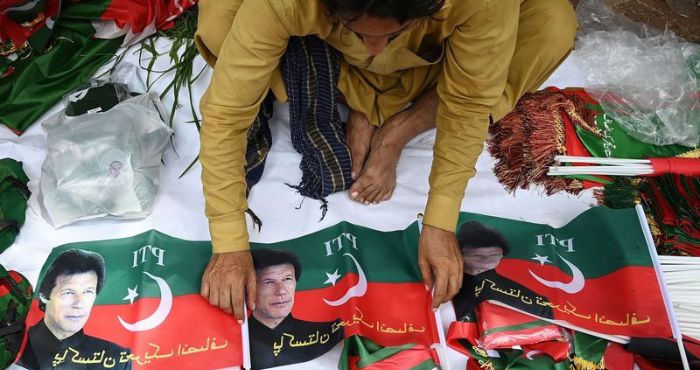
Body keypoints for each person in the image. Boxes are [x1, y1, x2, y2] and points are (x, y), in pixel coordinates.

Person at [195, 0, 578, 321]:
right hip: (332, 52)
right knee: (220, 21)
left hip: (427, 61)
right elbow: (226, 115)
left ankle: (399, 125)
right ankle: (357, 102)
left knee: (551, 25)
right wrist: (229, 241)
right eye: (360, 31)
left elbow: (466, 106)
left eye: (391, 34)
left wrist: (441, 221)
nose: (375, 48)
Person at [18, 249, 132, 370]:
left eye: (88, 292)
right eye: (68, 292)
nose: (79, 303)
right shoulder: (16, 343)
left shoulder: (119, 359)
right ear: (44, 296)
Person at [248, 248, 343, 370]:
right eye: (268, 282)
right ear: (249, 288)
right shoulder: (231, 342)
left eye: (287, 279)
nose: (281, 291)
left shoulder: (329, 333)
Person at [452, 221, 552, 321]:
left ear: (502, 254)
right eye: (477, 256)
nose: (487, 260)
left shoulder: (539, 304)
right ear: (460, 255)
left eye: (494, 256)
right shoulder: (444, 287)